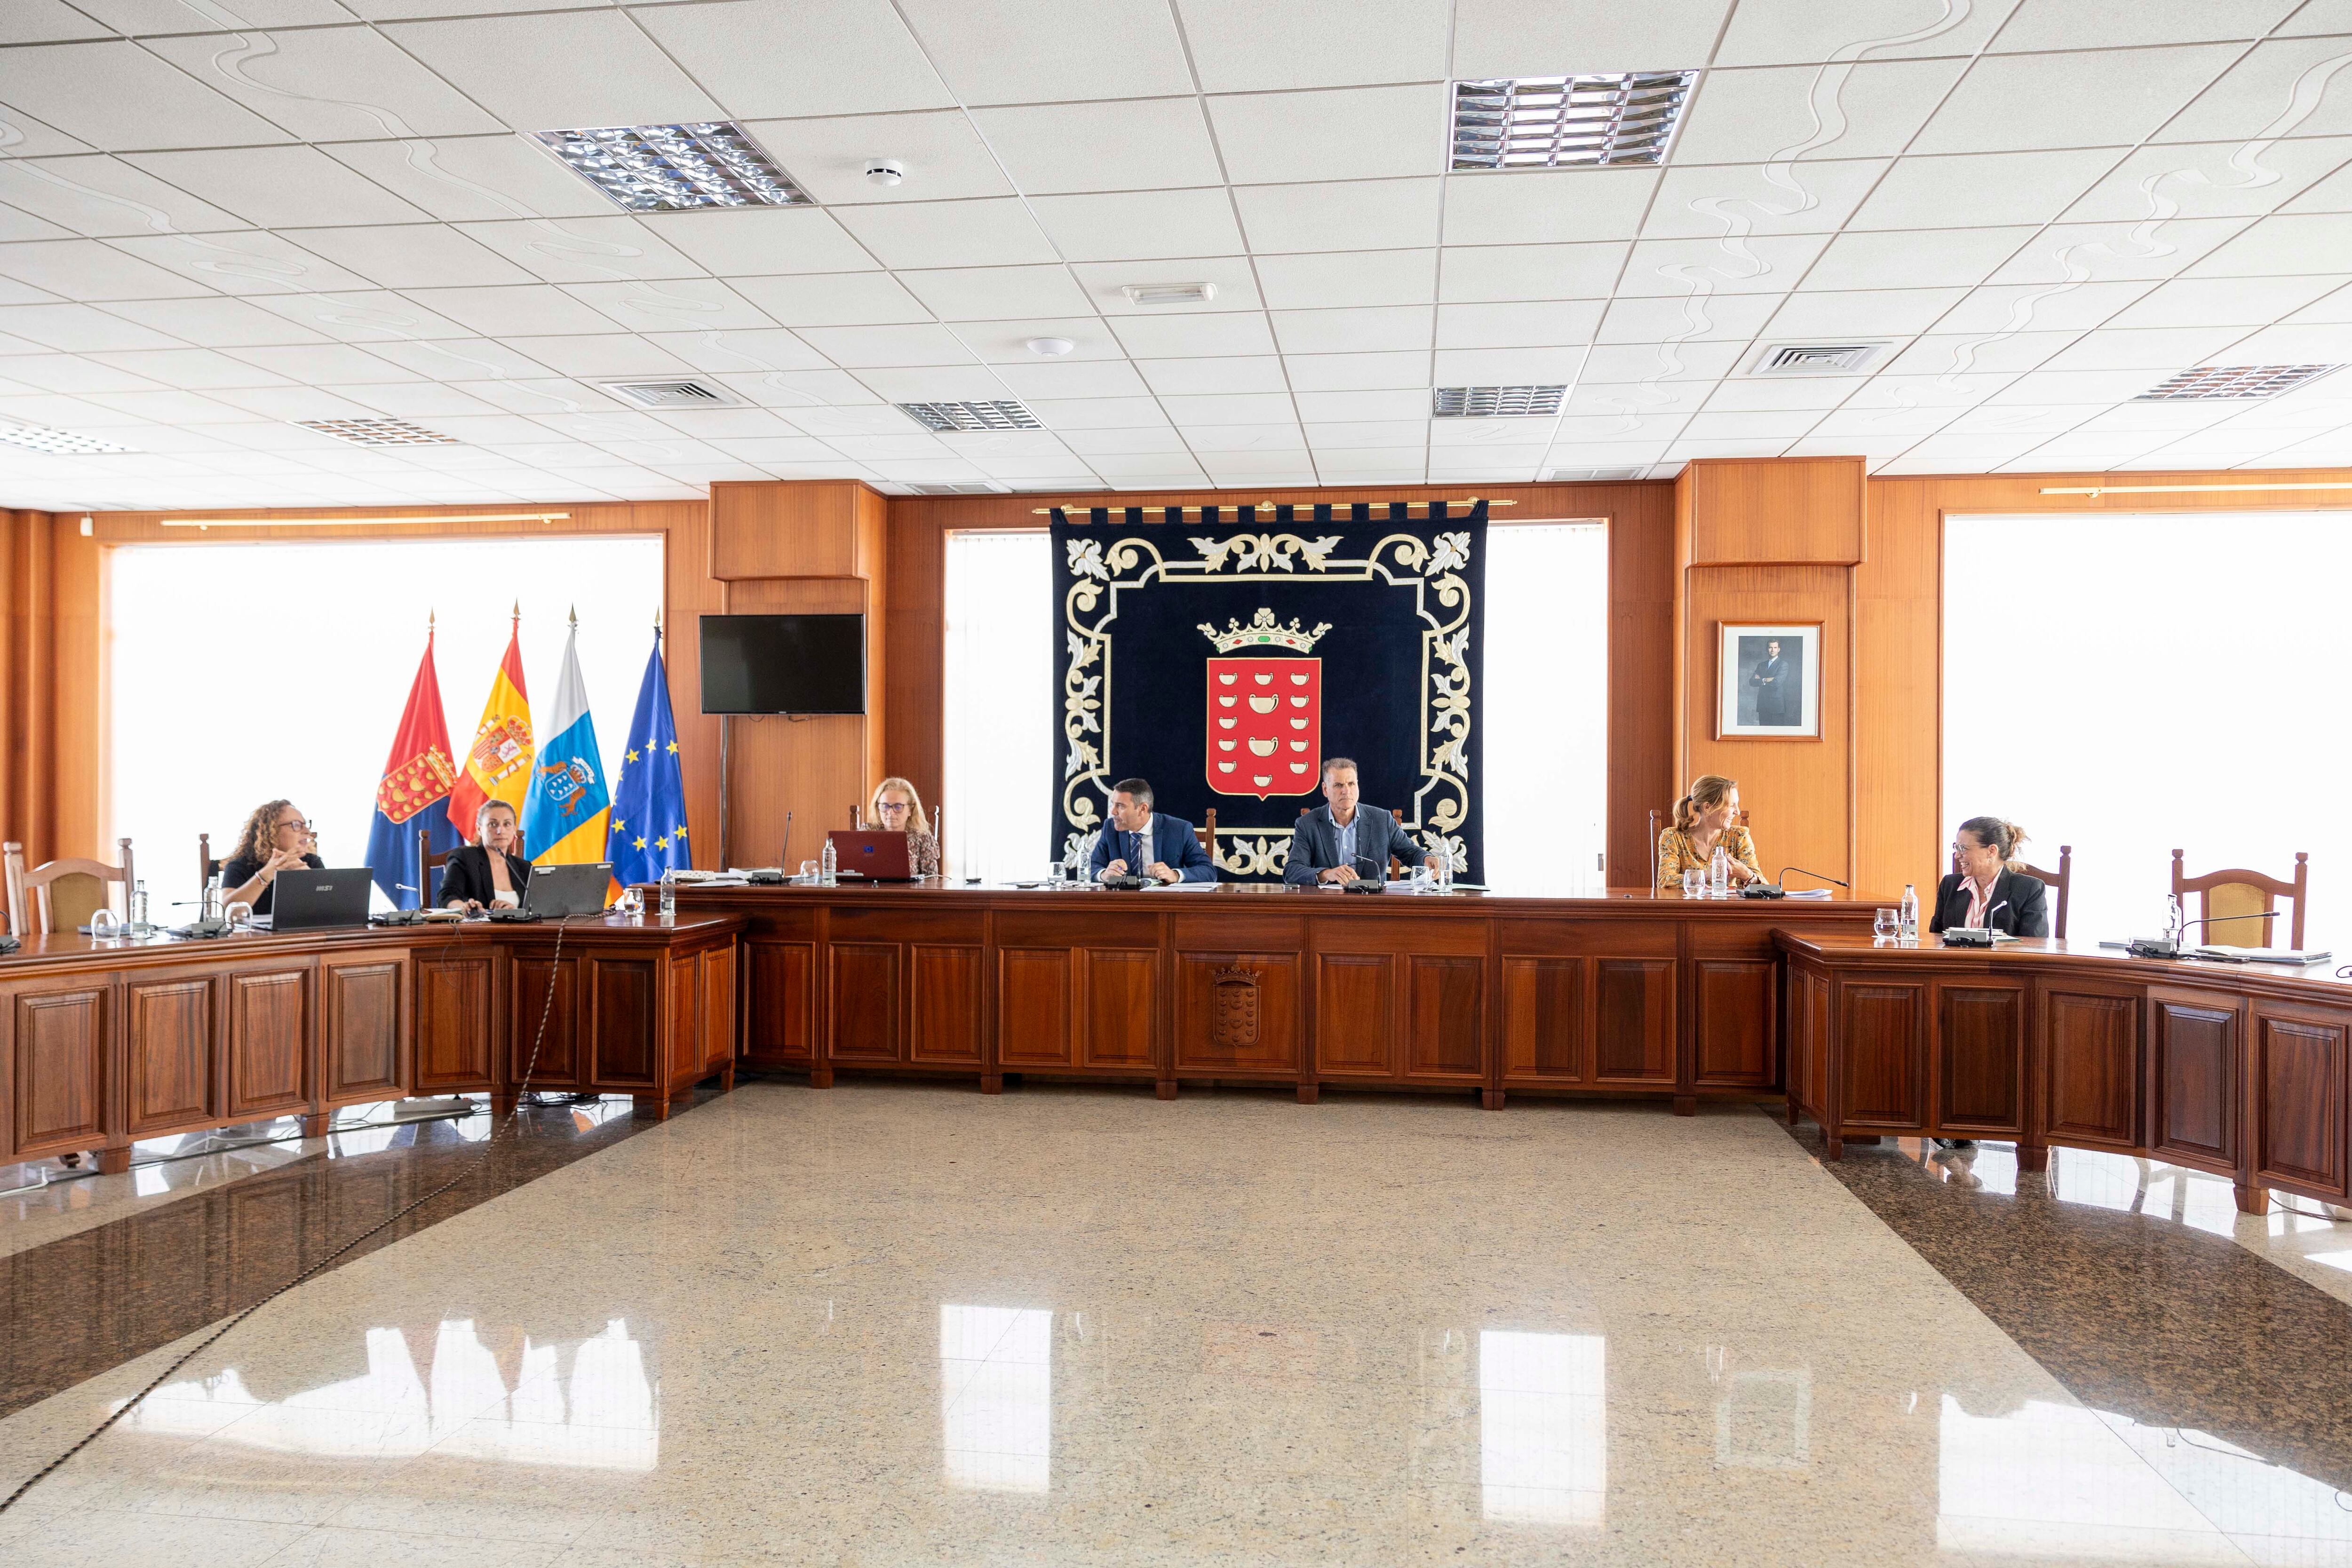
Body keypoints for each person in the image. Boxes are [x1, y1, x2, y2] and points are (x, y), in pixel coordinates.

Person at [1283, 758, 1443, 886]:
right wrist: (1327, 873)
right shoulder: (1308, 824)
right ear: (1325, 790)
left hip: (1373, 908)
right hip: (1328, 907)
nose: (1346, 791)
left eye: (1351, 784)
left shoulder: (1382, 820)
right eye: (1338, 785)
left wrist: (1426, 859)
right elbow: (1292, 871)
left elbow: (1411, 853)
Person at [1930, 817, 2049, 939]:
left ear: (1991, 851)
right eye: (1957, 848)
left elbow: (2034, 945)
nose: (1957, 856)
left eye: (1963, 848)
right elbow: (1936, 938)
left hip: (2003, 958)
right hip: (1956, 958)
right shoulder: (1949, 885)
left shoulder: (2030, 889)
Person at [1088, 778, 1216, 884]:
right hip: (1122, 905)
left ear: (1142, 809)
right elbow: (1091, 868)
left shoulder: (1179, 829)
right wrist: (1104, 874)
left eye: (1120, 806)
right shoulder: (1110, 828)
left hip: (1164, 904)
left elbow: (1209, 871)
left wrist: (1175, 875)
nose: (1113, 812)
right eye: (1113, 804)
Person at [1656, 774, 1763, 891]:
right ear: (1707, 807)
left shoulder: (1739, 836)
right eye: (1732, 805)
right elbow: (1665, 880)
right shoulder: (1673, 837)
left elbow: (1766, 890)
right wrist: (1706, 874)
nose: (1737, 812)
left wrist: (1747, 875)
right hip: (1688, 908)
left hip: (1731, 909)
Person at [219, 799, 325, 915]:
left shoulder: (312, 862)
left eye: (306, 825)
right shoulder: (240, 866)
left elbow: (330, 909)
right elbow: (232, 912)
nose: (307, 831)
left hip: (302, 934)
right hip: (254, 934)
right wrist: (266, 875)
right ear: (271, 831)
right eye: (296, 825)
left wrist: (310, 878)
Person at [441, 800, 533, 911]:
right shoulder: (465, 858)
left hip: (520, 928)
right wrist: (466, 907)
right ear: (479, 829)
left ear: (514, 829)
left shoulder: (524, 867)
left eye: (507, 824)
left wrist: (515, 912)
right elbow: (447, 897)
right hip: (479, 927)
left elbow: (536, 905)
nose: (500, 831)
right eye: (493, 825)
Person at [868, 776, 940, 877]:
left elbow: (932, 880)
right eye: (885, 806)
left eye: (898, 807)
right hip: (870, 891)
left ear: (911, 810)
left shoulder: (922, 838)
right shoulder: (867, 833)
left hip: (910, 892)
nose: (890, 812)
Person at [1749, 638, 1800, 726]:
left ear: (1779, 649)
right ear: (1767, 649)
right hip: (1763, 705)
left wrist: (1761, 680)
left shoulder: (1783, 665)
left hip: (1776, 706)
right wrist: (1766, 680)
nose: (1772, 650)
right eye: (1770, 647)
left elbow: (1777, 683)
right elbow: (1752, 682)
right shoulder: (1761, 665)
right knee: (1763, 734)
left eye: (1775, 648)